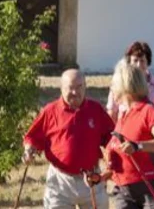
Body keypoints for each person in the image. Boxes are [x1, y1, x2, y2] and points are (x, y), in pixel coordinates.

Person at [24, 69, 114, 208]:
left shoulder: (95, 109)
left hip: (91, 178)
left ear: (85, 87)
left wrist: (111, 163)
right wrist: (29, 151)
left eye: (79, 87)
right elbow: (32, 138)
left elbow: (111, 138)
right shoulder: (50, 111)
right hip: (60, 181)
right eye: (70, 87)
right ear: (61, 88)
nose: (75, 92)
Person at [107, 61, 154, 209]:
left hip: (152, 187)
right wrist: (101, 176)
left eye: (114, 85)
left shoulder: (149, 111)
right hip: (124, 189)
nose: (111, 89)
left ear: (125, 87)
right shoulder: (124, 114)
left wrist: (138, 146)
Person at [113, 41, 154, 118]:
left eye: (142, 61)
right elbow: (112, 112)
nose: (138, 65)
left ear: (147, 62)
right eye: (135, 61)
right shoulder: (120, 84)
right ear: (129, 62)